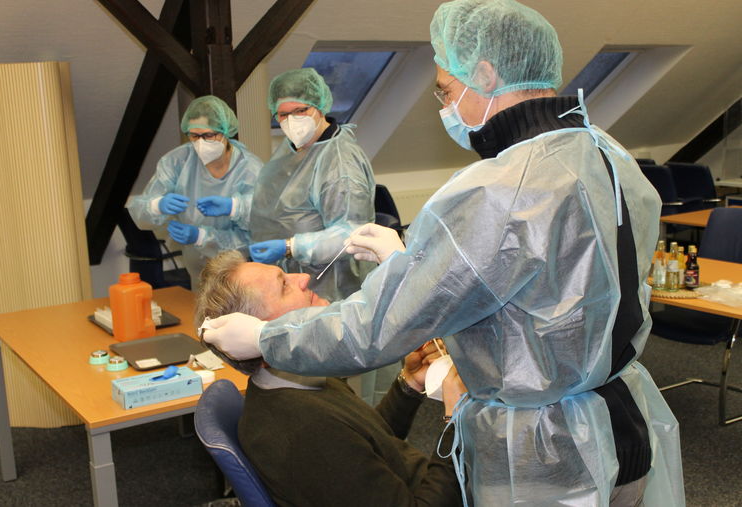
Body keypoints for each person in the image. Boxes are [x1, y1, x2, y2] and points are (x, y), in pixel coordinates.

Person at [201, 1, 685, 505]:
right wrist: (414, 267)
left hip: (548, 448)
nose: (443, 106)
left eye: (447, 91)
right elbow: (558, 285)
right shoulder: (603, 151)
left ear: (485, 74)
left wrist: (268, 334)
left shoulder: (500, 186)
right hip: (619, 419)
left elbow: (375, 330)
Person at [194, 251, 464, 507]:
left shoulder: (301, 377)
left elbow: (363, 441)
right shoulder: (303, 433)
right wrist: (455, 422)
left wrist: (410, 383)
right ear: (254, 333)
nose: (303, 278)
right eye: (284, 285)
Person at [248, 67, 376, 302]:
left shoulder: (340, 162)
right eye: (282, 114)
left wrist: (291, 247)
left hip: (333, 287)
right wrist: (234, 208)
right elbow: (278, 200)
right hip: (291, 284)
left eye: (300, 110)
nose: (291, 120)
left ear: (319, 107)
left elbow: (351, 233)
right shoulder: (294, 149)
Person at [128, 95, 262, 290]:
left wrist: (203, 235)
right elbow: (139, 212)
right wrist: (157, 205)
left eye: (208, 135)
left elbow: (258, 233)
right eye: (194, 136)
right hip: (196, 270)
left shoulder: (250, 169)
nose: (200, 142)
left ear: (226, 132)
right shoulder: (178, 161)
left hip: (239, 273)